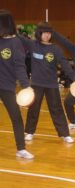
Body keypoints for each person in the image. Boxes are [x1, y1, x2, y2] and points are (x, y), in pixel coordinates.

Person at [19, 22, 75, 143]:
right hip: (36, 84)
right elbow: (18, 37)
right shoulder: (32, 45)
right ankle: (29, 132)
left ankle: (64, 134)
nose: (46, 35)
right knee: (33, 109)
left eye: (48, 33)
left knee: (57, 109)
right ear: (39, 33)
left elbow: (65, 64)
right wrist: (8, 27)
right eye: (44, 32)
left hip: (51, 84)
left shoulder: (55, 49)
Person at [0, 9, 34, 159]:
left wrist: (26, 86)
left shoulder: (15, 42)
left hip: (6, 87)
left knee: (16, 117)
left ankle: (21, 148)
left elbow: (20, 66)